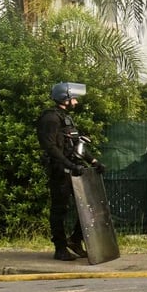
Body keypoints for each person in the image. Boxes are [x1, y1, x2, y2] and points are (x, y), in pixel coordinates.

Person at [37, 82, 104, 261]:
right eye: (73, 98)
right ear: (64, 99)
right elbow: (51, 147)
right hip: (60, 171)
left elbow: (76, 144)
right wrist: (69, 164)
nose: (76, 102)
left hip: (74, 169)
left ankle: (75, 239)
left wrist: (94, 161)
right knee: (59, 210)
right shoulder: (50, 119)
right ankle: (60, 248)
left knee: (90, 206)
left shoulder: (65, 118)